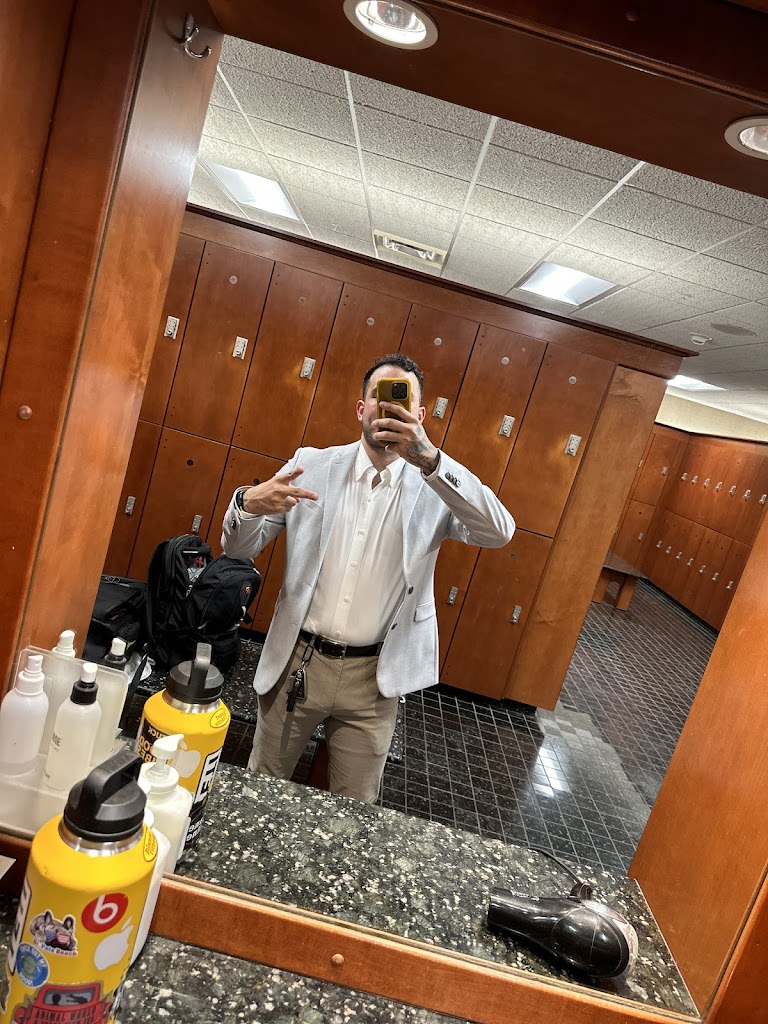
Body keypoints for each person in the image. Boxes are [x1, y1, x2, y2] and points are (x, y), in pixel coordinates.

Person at [221, 353, 514, 803]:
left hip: (374, 680)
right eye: (379, 396)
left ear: (420, 417)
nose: (388, 407)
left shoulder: (436, 488)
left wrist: (431, 459)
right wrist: (245, 504)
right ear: (362, 408)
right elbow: (239, 549)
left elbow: (499, 531)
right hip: (297, 664)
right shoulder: (311, 464)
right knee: (260, 792)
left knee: (356, 812)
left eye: (402, 400)